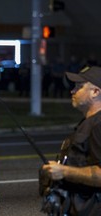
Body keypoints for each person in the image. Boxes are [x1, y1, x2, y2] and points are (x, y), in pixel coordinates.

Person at [41, 66, 101, 215]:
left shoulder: (99, 125)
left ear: (95, 92)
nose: (72, 91)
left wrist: (65, 171)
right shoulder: (87, 123)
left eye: (79, 87)